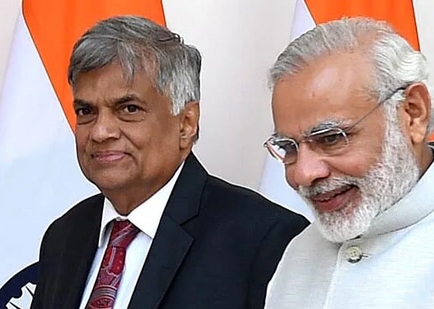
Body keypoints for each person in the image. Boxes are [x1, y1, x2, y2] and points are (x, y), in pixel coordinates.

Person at [30, 15, 308, 309]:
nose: (100, 132)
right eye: (86, 111)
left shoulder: (265, 239)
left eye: (128, 108)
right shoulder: (65, 236)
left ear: (186, 124)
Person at [263, 17, 434, 309]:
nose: (304, 173)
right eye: (288, 147)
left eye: (331, 138)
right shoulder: (300, 252)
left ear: (413, 113)